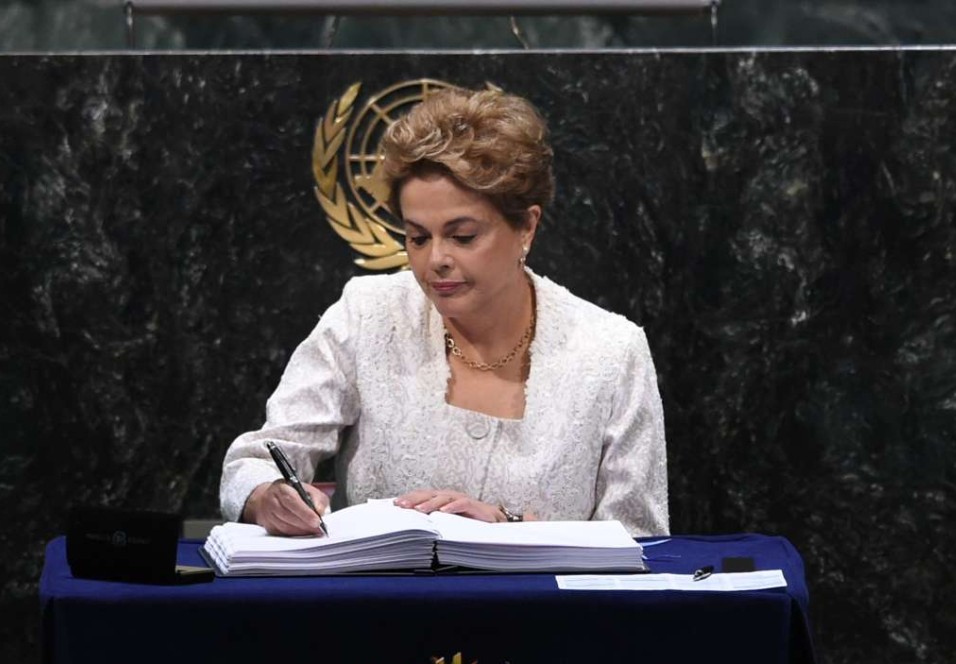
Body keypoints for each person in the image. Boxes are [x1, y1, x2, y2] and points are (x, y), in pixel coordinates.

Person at [220, 87, 669, 537]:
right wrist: (267, 496)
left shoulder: (612, 352)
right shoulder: (367, 316)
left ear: (527, 227)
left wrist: (509, 527)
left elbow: (640, 539)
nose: (435, 260)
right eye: (417, 237)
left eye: (463, 236)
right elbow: (252, 464)